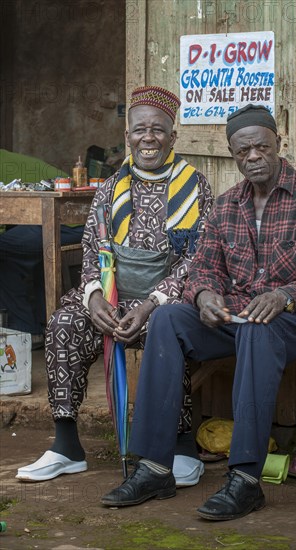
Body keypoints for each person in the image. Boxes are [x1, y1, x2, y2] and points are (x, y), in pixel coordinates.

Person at [99, 104, 296, 521]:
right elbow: (202, 269)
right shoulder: (227, 204)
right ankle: (154, 467)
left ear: (278, 145)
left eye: (261, 148)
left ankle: (245, 479)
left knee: (257, 327)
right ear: (233, 154)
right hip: (241, 317)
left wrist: (285, 296)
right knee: (167, 319)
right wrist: (203, 297)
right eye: (243, 151)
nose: (252, 157)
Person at [16, 86, 214, 484]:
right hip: (112, 296)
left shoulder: (196, 187)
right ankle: (67, 446)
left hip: (165, 301)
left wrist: (153, 302)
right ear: (127, 137)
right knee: (64, 323)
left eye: (158, 130)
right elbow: (92, 248)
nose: (148, 138)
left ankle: (180, 445)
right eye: (139, 130)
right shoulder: (109, 188)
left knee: (168, 328)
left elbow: (199, 259)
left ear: (173, 137)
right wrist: (92, 297)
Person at [0, 149, 84, 346]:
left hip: (66, 220)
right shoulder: (7, 158)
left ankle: (25, 329)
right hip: (76, 217)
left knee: (3, 249)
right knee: (14, 254)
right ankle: (39, 324)